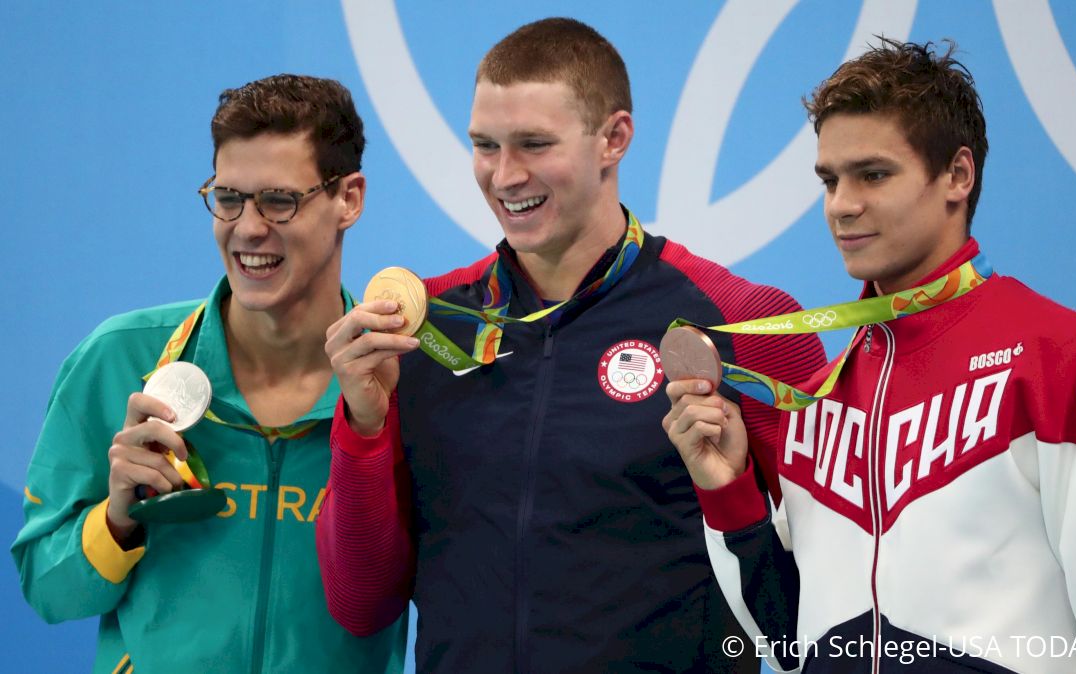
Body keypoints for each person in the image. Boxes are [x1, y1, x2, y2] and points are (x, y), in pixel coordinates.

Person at [317, 17, 826, 673]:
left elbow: (815, 618)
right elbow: (362, 606)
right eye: (484, 145)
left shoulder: (739, 324)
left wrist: (735, 500)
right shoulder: (427, 329)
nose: (503, 176)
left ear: (614, 138)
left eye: (533, 144)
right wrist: (364, 424)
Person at [663, 38, 1076, 672]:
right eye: (829, 180)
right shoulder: (821, 400)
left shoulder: (1064, 359)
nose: (842, 205)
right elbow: (788, 645)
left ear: (957, 175)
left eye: (873, 175)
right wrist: (730, 491)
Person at [11, 74, 407, 673]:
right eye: (227, 199)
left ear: (349, 198)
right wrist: (116, 519)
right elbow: (48, 589)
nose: (248, 228)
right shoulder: (119, 359)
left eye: (279, 200)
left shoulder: (404, 383)